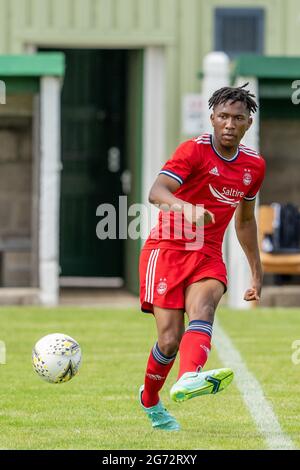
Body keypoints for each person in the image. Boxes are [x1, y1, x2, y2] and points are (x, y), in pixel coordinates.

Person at [138, 83, 266, 431]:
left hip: (208, 253)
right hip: (167, 248)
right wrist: (188, 209)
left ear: (247, 124)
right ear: (211, 117)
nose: (229, 123)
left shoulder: (253, 166)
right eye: (223, 116)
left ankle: (188, 378)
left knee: (205, 308)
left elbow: (244, 219)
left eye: (237, 118)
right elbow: (157, 192)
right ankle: (149, 398)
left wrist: (256, 271)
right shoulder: (193, 151)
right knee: (169, 339)